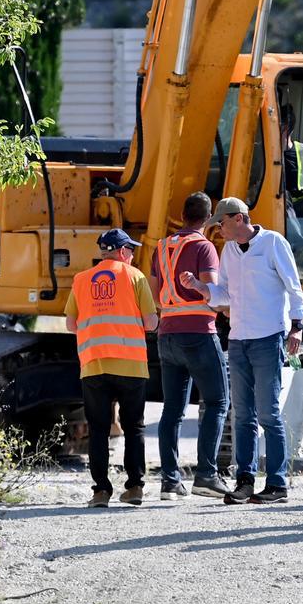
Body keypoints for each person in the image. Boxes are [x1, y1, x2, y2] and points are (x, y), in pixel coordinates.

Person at [210, 196, 303, 504]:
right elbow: (224, 292)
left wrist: (297, 325)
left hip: (268, 338)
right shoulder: (229, 251)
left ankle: (277, 483)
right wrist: (204, 290)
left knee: (268, 414)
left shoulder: (273, 243)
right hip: (238, 339)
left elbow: (293, 285)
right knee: (242, 415)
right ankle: (245, 481)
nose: (218, 230)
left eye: (221, 223)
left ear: (238, 219)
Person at [65, 228, 158, 508]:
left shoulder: (81, 280)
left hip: (94, 365)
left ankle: (101, 492)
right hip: (131, 366)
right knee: (134, 428)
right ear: (121, 251)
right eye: (130, 249)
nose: (132, 254)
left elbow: (71, 324)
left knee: (99, 430)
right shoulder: (135, 276)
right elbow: (151, 322)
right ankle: (135, 487)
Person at [152, 192, 231, 500]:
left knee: (172, 410)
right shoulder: (204, 247)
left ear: (182, 215)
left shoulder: (161, 247)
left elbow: (157, 290)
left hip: (167, 335)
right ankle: (206, 476)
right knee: (216, 403)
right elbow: (208, 291)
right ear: (208, 219)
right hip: (199, 333)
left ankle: (170, 481)